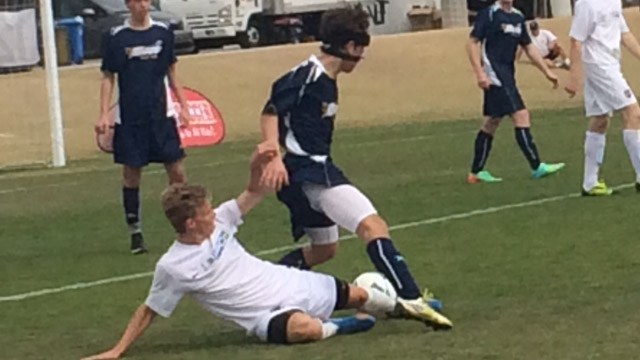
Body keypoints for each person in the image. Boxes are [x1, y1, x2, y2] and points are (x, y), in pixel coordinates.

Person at [79, 147, 452, 360]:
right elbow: (149, 310)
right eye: (206, 212)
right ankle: (345, 325)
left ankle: (412, 308)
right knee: (303, 329)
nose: (214, 213)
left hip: (287, 282)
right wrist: (116, 350)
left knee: (362, 294)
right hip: (261, 316)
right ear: (190, 223)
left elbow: (252, 193)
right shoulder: (173, 267)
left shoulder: (223, 219)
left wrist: (257, 167)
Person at [256, 5, 447, 320]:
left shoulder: (327, 78)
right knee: (373, 226)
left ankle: (265, 289)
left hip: (307, 172)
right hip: (310, 171)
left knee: (324, 250)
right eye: (362, 48)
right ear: (349, 46)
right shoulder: (308, 74)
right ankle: (411, 298)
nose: (362, 57)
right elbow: (271, 110)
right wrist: (273, 157)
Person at [94, 0, 192, 254]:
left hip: (161, 115)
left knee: (178, 172)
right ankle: (135, 232)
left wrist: (183, 105)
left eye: (146, 0)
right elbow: (108, 77)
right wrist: (104, 114)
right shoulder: (117, 37)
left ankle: (184, 227)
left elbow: (172, 72)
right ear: (128, 4)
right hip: (130, 118)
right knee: (131, 174)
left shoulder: (163, 33)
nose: (143, 5)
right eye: (137, 1)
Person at [465, 0, 565, 183]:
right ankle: (537, 166)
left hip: (507, 74)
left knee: (491, 122)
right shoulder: (489, 14)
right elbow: (472, 43)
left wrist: (546, 71)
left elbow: (528, 47)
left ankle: (476, 172)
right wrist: (479, 73)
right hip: (493, 74)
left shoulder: (518, 17)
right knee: (521, 115)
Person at [565, 0, 640, 196]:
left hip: (611, 63)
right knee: (633, 112)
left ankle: (590, 183)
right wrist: (574, 77)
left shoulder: (614, 2)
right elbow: (576, 40)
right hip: (598, 66)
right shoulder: (586, 4)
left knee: (600, 120)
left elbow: (624, 33)